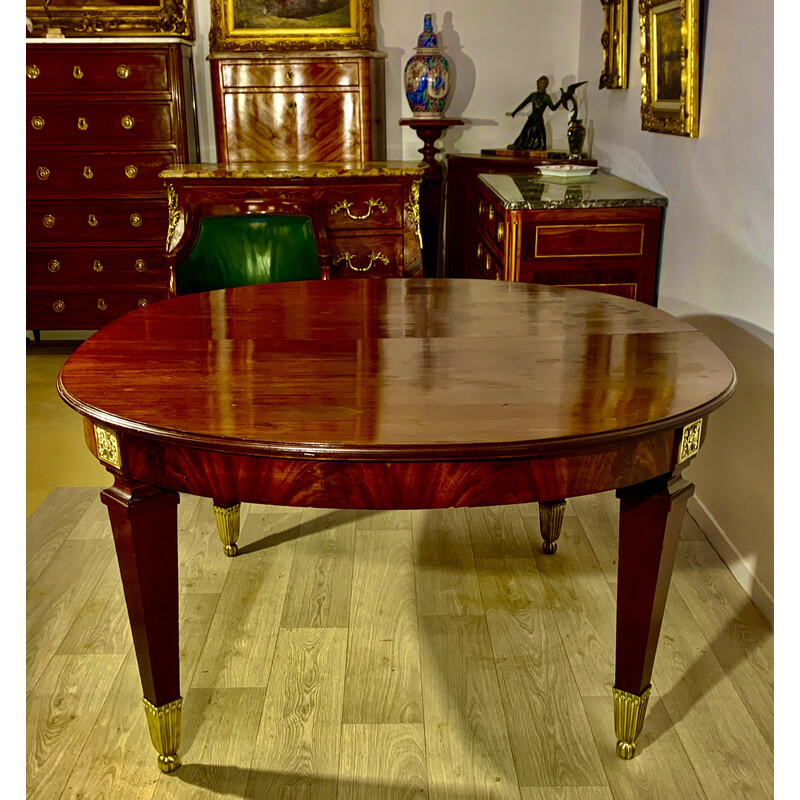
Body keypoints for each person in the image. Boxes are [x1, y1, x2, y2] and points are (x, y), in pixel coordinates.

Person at [506, 75, 561, 151]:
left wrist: (561, 100)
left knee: (542, 143)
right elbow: (523, 104)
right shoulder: (533, 95)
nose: (541, 85)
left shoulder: (546, 97)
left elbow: (553, 108)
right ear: (537, 84)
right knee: (524, 139)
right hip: (531, 120)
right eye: (540, 83)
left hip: (539, 120)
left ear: (546, 85)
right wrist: (514, 112)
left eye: (543, 84)